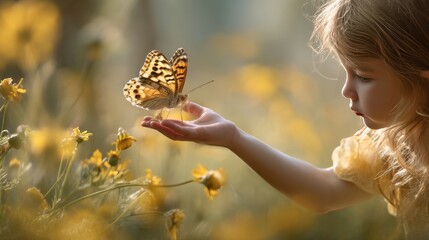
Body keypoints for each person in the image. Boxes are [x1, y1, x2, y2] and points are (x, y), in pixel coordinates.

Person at [141, 0, 429, 238]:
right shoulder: (396, 146)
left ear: (422, 75)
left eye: (364, 76)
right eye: (347, 72)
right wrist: (233, 137)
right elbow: (323, 192)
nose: (346, 90)